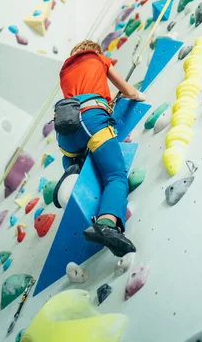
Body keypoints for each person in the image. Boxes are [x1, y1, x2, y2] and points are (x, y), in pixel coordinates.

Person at [54, 40, 145, 257]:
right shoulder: (98, 58)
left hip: (65, 129)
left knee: (81, 164)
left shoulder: (65, 70)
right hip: (91, 118)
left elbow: (77, 95)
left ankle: (71, 173)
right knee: (115, 176)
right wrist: (138, 96)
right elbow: (127, 89)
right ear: (95, 50)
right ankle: (106, 223)